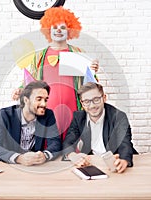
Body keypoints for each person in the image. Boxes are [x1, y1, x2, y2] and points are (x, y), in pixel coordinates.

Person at [12, 7, 99, 141]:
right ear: (48, 30)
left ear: (69, 30)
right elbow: (31, 80)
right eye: (55, 27)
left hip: (73, 106)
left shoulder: (78, 52)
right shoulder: (39, 56)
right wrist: (20, 90)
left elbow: (89, 82)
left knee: (73, 140)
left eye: (63, 27)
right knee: (49, 142)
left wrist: (92, 70)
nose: (58, 30)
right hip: (47, 106)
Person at [63, 82, 137, 173]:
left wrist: (124, 160)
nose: (92, 105)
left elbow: (125, 143)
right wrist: (73, 155)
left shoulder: (119, 116)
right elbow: (68, 142)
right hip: (93, 164)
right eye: (86, 101)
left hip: (115, 162)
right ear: (82, 103)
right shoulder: (78, 117)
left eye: (96, 99)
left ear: (104, 98)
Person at [0, 81, 62, 166]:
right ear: (26, 100)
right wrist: (19, 158)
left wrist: (45, 156)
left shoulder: (48, 115)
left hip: (35, 166)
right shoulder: (4, 115)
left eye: (46, 100)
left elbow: (55, 143)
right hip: (9, 166)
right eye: (39, 99)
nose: (44, 104)